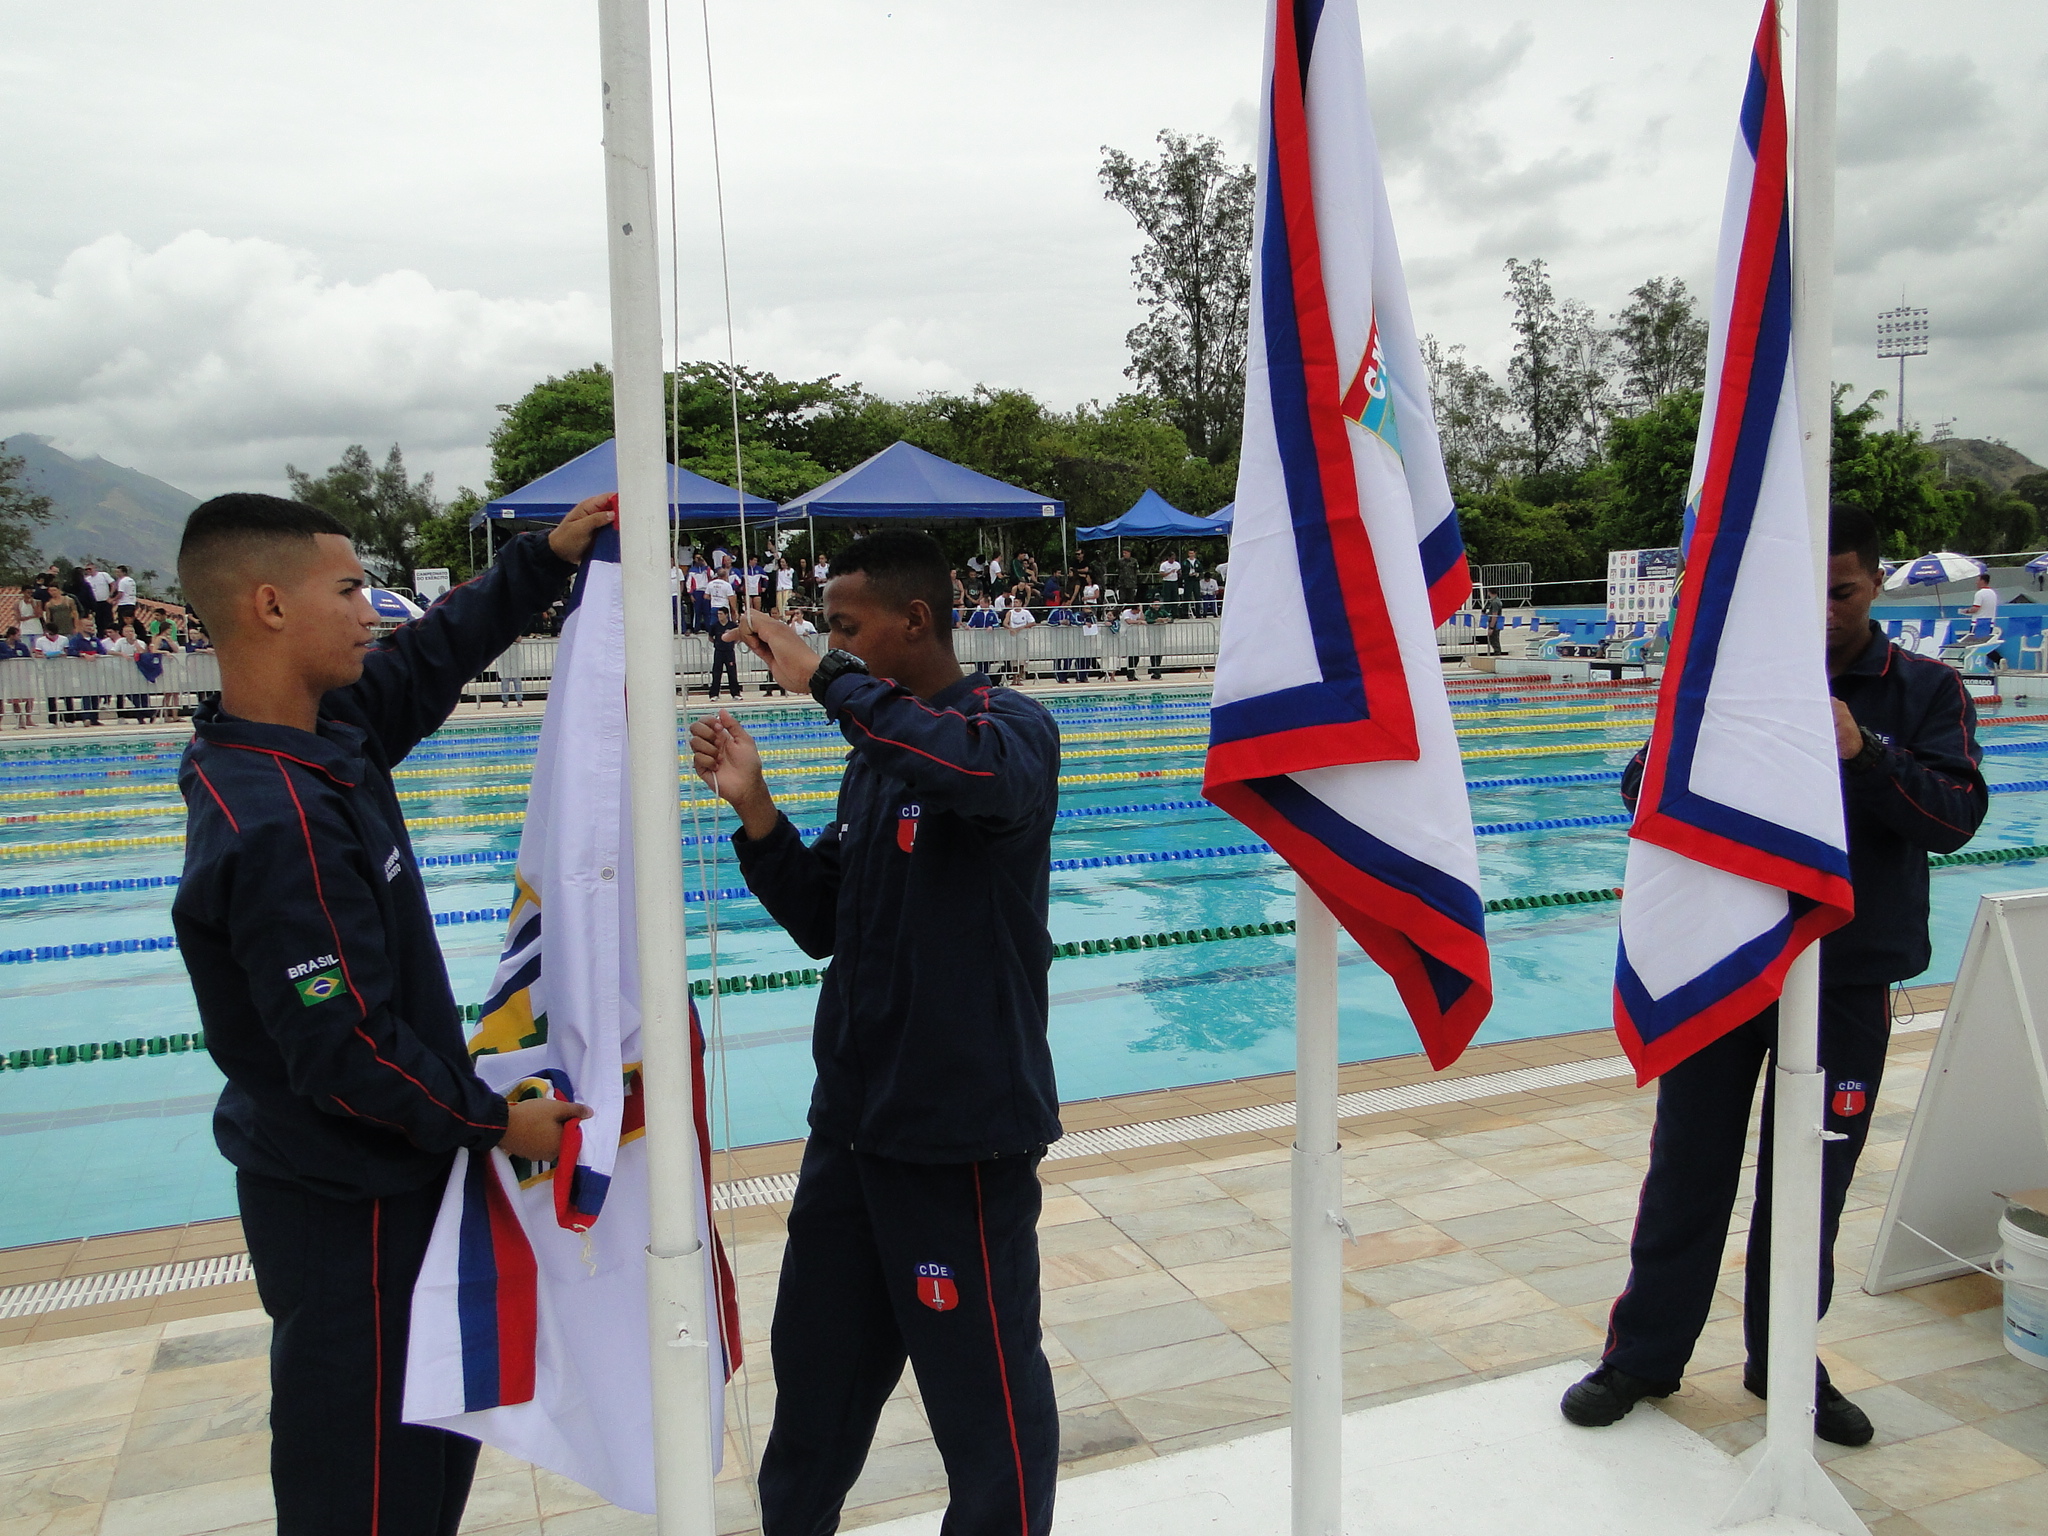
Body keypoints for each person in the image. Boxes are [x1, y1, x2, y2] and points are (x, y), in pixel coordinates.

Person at [170, 490, 604, 1536]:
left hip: (390, 1184)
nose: (373, 612)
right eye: (351, 589)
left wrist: (543, 557)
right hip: (347, 1215)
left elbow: (428, 659)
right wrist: (498, 1124)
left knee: (427, 1471)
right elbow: (348, 1051)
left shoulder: (320, 735)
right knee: (367, 1496)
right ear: (271, 606)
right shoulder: (279, 820)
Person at [1561, 505, 1988, 1449]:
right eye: (1806, 594)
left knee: (1811, 1182)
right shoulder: (1728, 681)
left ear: (1875, 585)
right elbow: (1641, 788)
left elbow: (1956, 818)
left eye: (1843, 592)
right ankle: (1644, 1356)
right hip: (1727, 967)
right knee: (1687, 1170)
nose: (1824, 611)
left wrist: (1862, 751)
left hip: (1844, 981)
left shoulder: (1924, 689)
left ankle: (1785, 1360)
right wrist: (1698, 745)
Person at [690, 529, 1061, 1536]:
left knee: (986, 1418)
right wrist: (756, 808)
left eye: (846, 629)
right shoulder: (877, 762)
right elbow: (825, 920)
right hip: (852, 1135)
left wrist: (823, 680)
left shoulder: (1009, 730)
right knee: (813, 1395)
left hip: (957, 1146)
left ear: (916, 620)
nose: (833, 647)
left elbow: (975, 777)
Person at [115, 565, 138, 630]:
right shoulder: (131, 580)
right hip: (132, 603)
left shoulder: (122, 581)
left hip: (124, 604)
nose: (117, 574)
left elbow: (120, 593)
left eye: (118, 572)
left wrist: (113, 600)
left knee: (122, 622)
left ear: (124, 572)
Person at [1483, 588, 1505, 655]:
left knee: (1494, 640)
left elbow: (1494, 615)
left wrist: (1491, 627)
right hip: (1496, 623)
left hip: (1495, 624)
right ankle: (1497, 653)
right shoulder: (1495, 601)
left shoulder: (1495, 602)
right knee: (1493, 639)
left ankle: (1497, 654)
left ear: (1489, 592)